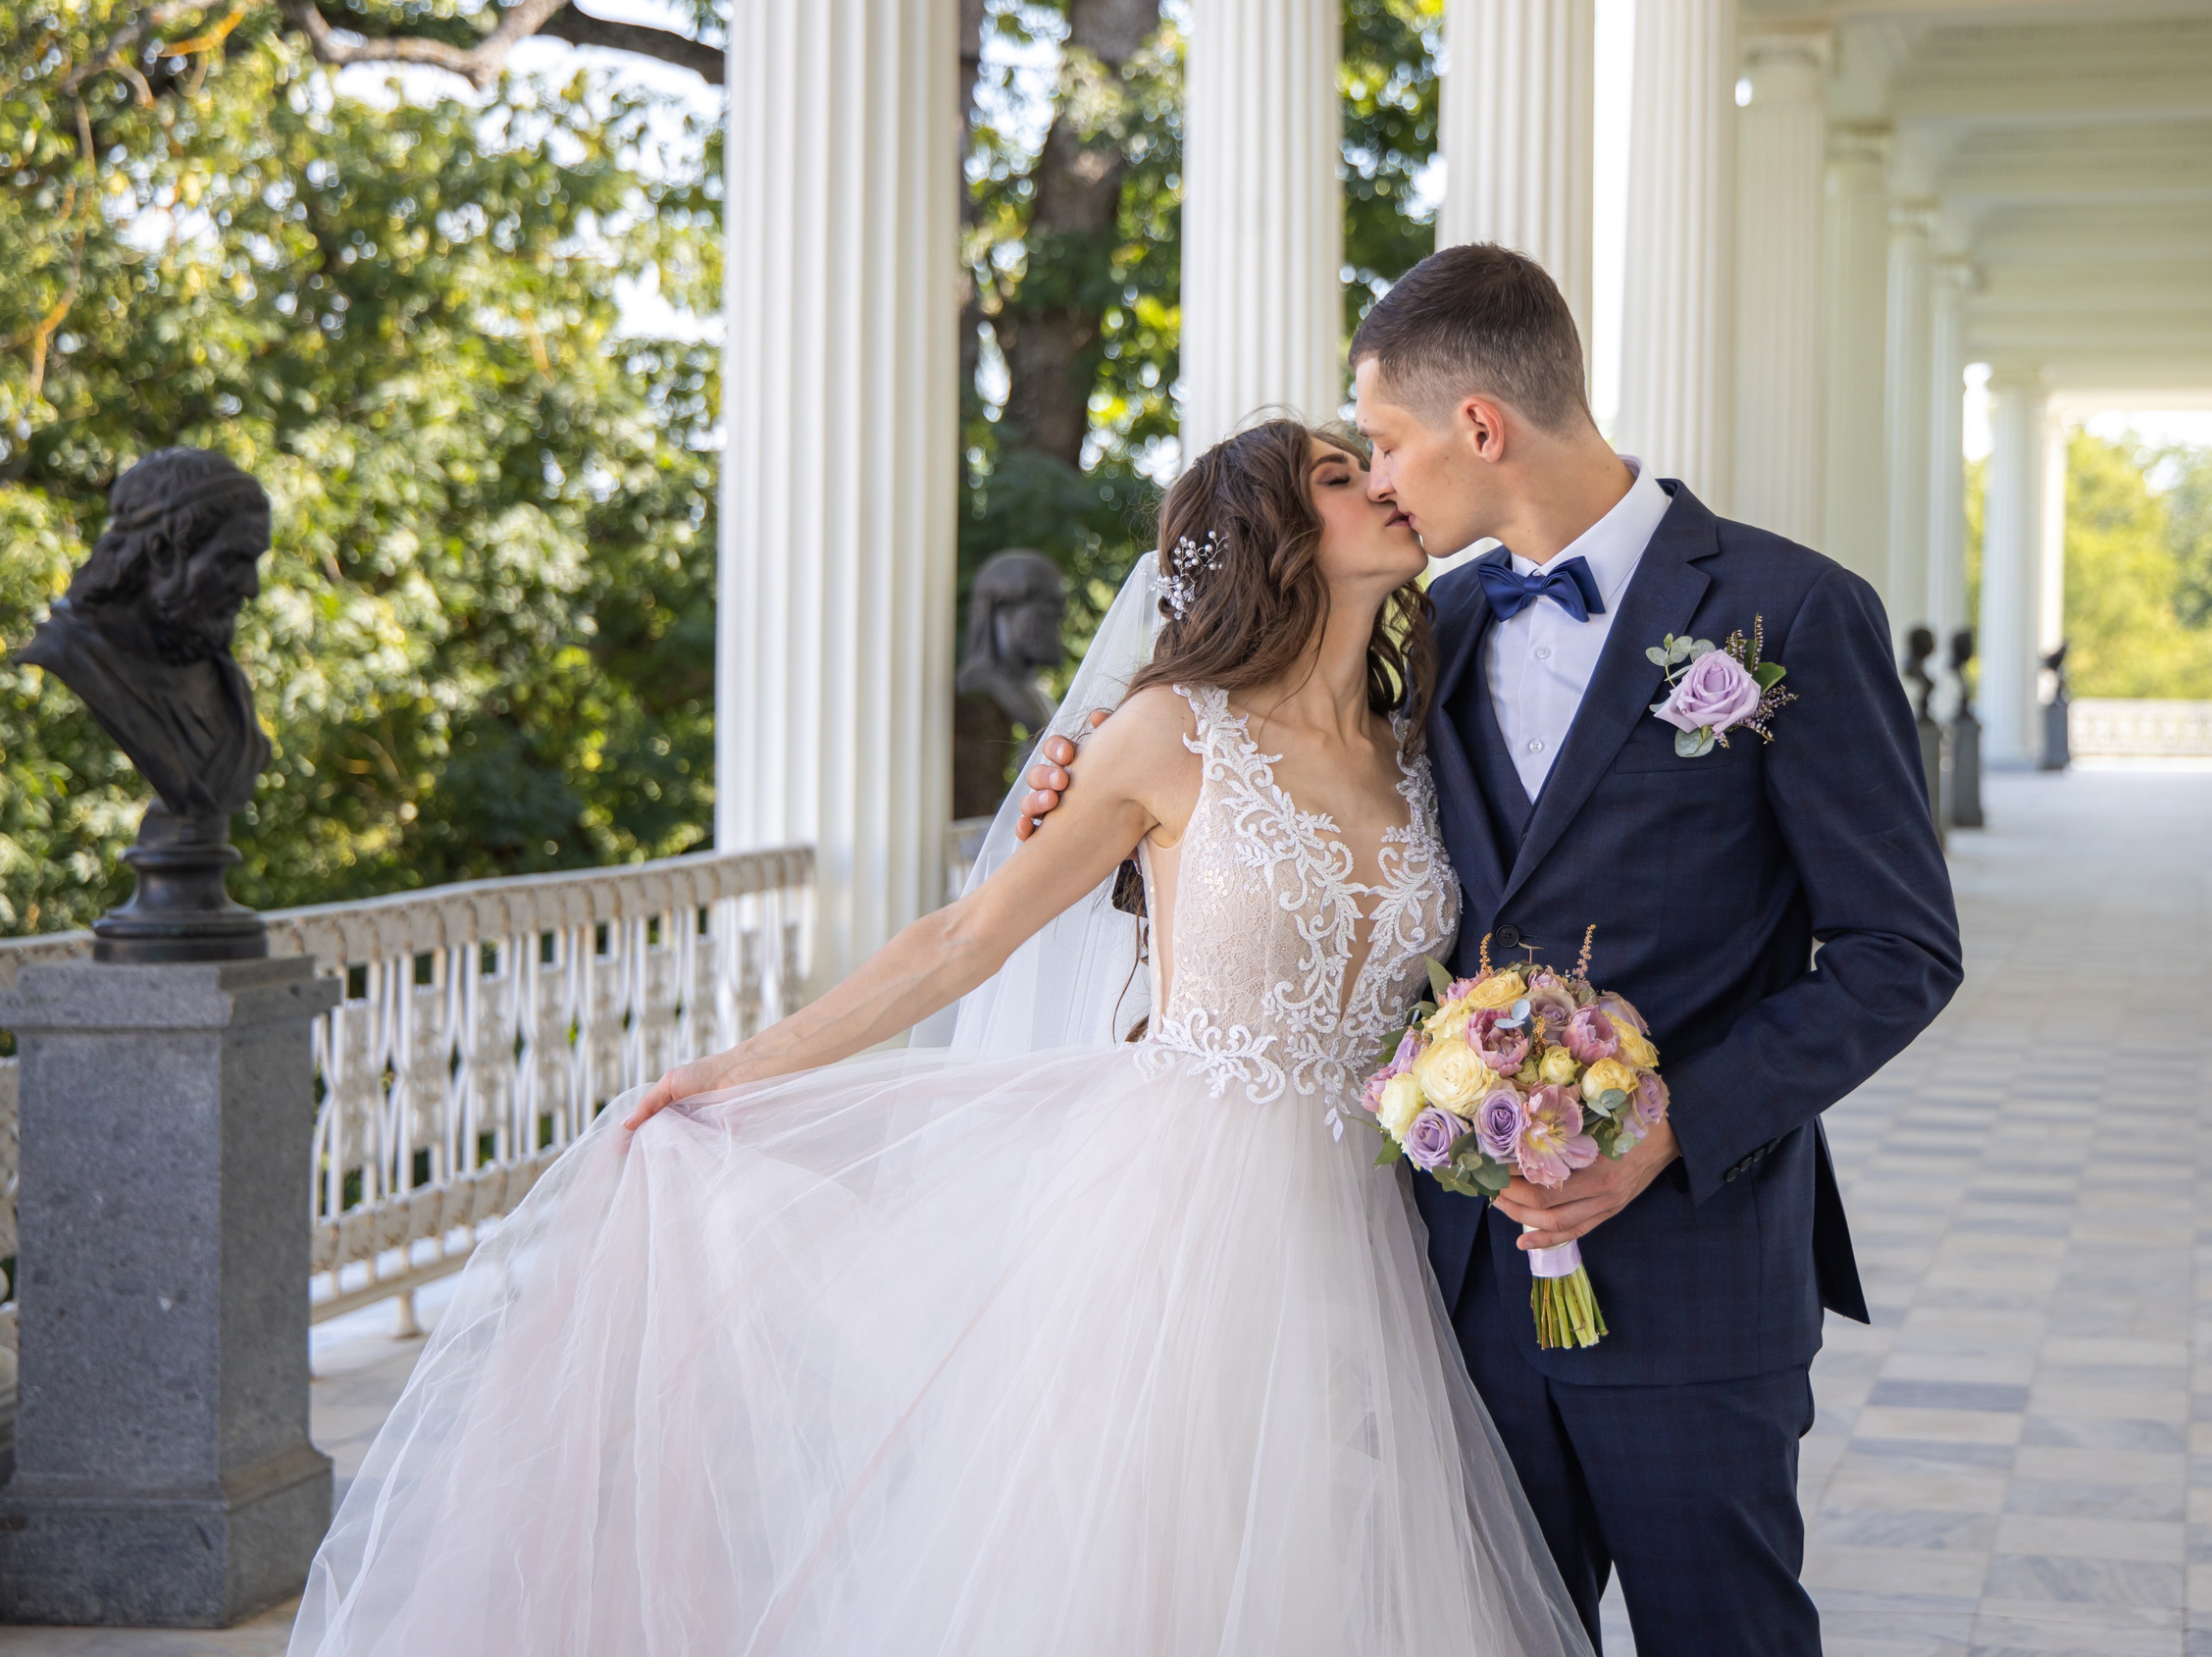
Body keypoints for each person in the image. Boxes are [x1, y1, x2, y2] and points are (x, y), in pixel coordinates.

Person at [285, 420, 1593, 1657]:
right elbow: (965, 941)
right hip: (1176, 1222)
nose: (1376, 475)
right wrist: (735, 1069)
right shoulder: (1166, 735)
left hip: (1370, 1226)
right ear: (1271, 535)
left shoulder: (1418, 748)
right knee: (1144, 1562)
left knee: (1336, 1559)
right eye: (1329, 471)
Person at [1024, 246, 1963, 1654]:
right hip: (1449, 1286)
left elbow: (1901, 948)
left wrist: (1667, 1129)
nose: (1381, 481)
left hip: (1698, 1276)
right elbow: (1276, 791)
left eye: (1385, 440)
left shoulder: (1793, 612)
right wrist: (1079, 781)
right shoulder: (1428, 631)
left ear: (1480, 426)